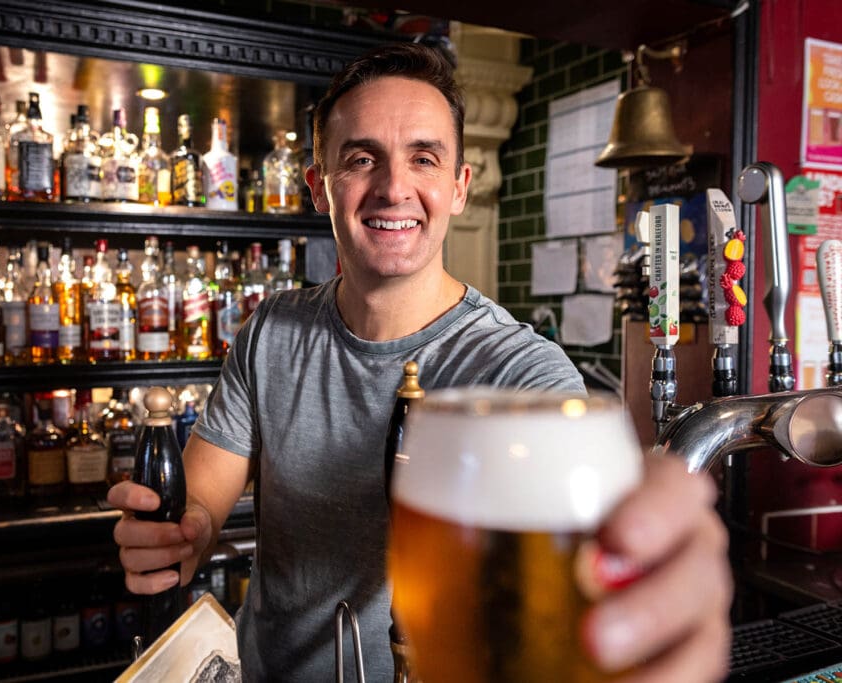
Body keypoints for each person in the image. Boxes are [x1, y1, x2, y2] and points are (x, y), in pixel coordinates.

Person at [109, 42, 731, 681]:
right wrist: (180, 535)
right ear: (319, 187)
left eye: (424, 158)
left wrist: (643, 598)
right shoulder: (272, 330)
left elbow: (593, 559)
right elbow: (203, 502)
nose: (394, 188)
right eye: (361, 159)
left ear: (459, 188)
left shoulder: (519, 375)